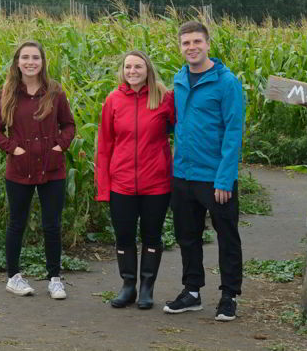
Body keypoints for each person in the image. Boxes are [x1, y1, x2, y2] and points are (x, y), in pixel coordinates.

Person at [163, 21, 245, 322]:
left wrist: (224, 178)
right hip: (183, 174)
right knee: (187, 236)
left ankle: (229, 296)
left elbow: (233, 132)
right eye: (186, 43)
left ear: (208, 44)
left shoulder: (226, 82)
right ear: (181, 47)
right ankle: (192, 291)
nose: (192, 47)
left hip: (215, 178)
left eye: (197, 41)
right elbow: (177, 123)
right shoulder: (180, 79)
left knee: (227, 236)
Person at [0, 41, 76, 300]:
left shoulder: (55, 92)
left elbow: (69, 125)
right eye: (25, 57)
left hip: (52, 169)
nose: (30, 62)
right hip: (19, 169)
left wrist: (60, 147)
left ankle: (54, 279)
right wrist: (13, 149)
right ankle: (13, 277)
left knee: (52, 225)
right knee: (17, 223)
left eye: (35, 57)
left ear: (42, 62)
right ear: (17, 62)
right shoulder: (7, 94)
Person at [96, 50, 175, 309]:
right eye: (128, 66)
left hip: (156, 183)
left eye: (138, 66)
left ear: (147, 69)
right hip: (122, 183)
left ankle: (147, 288)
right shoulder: (114, 100)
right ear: (123, 70)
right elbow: (105, 145)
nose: (132, 71)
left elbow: (180, 129)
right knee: (124, 236)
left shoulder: (163, 98)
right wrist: (104, 186)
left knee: (152, 236)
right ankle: (128, 286)